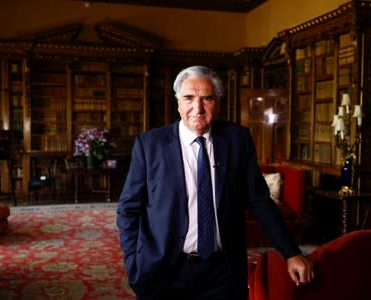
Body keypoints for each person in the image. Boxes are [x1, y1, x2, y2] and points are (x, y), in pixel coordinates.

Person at [117, 65, 314, 300]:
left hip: (223, 272)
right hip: (165, 269)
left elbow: (259, 201)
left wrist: (291, 252)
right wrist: (133, 262)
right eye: (189, 98)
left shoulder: (237, 140)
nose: (197, 108)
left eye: (207, 98)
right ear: (178, 101)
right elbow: (129, 209)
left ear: (217, 102)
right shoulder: (150, 145)